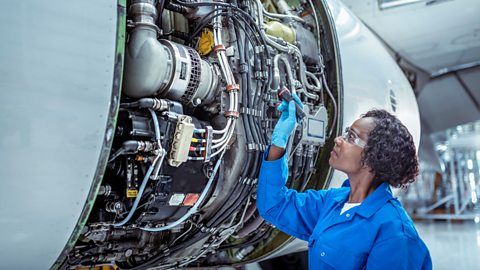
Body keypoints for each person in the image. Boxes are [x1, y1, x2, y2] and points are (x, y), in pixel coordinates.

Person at [257, 96, 432, 269]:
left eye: (350, 137)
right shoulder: (333, 202)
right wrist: (279, 143)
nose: (338, 140)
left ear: (374, 156)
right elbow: (274, 205)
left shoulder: (395, 233)